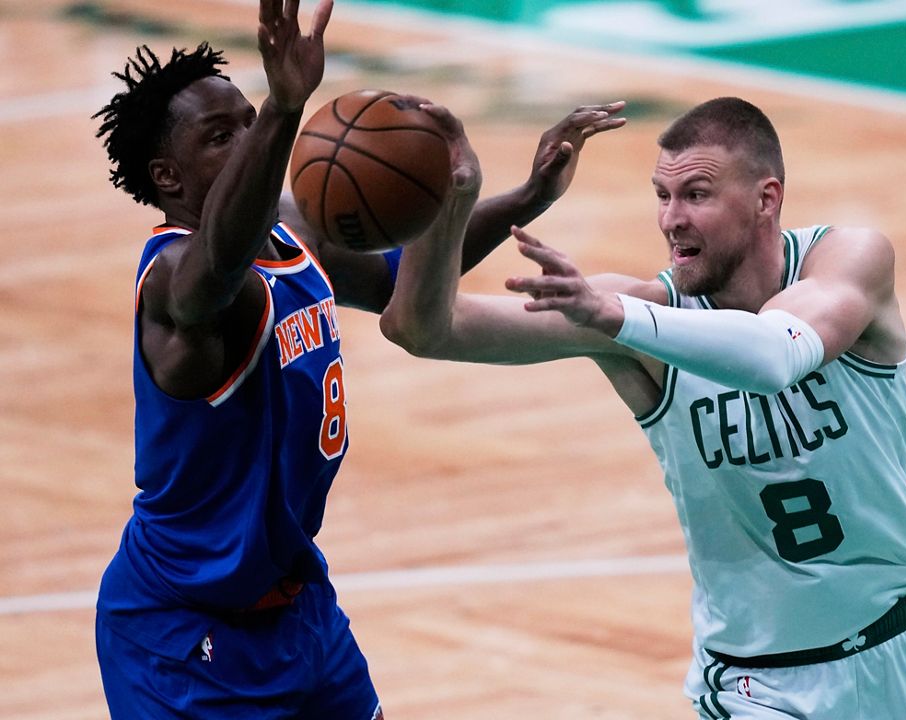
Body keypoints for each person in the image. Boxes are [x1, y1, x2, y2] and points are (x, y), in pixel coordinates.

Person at [379, 96, 906, 719]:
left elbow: (773, 356)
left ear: (766, 199)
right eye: (662, 195)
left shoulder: (849, 260)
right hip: (765, 688)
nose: (672, 219)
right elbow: (422, 330)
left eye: (696, 195)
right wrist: (453, 200)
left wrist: (613, 316)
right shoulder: (637, 312)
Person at [90, 0, 623, 715]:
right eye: (222, 137)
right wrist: (283, 108)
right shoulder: (173, 280)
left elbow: (407, 283)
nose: (251, 141)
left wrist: (520, 196)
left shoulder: (292, 232)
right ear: (169, 178)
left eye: (249, 121)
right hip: (183, 639)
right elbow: (216, 268)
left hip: (298, 607)